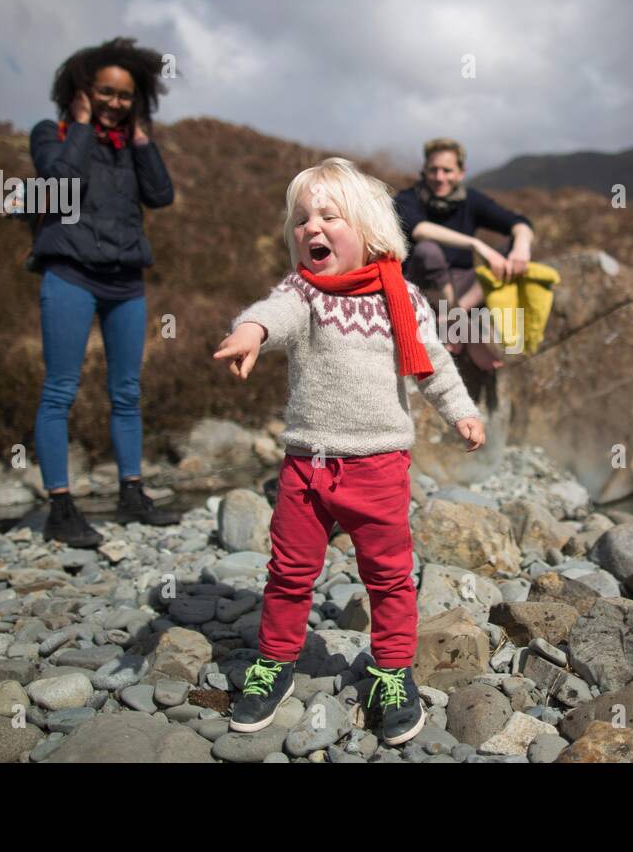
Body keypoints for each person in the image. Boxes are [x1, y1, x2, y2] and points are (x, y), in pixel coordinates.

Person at [213, 157, 485, 746]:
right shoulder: (304, 292)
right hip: (306, 465)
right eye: (301, 219)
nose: (312, 228)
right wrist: (250, 332)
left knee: (388, 576)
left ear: (369, 231)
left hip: (380, 464)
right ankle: (276, 661)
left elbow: (434, 365)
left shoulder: (401, 297)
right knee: (288, 572)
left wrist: (461, 411)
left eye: (329, 216)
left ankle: (392, 671)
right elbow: (274, 312)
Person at [28, 37, 179, 548]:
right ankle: (61, 507)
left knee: (127, 391)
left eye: (125, 95)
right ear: (82, 91)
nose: (116, 102)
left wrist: (139, 139)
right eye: (105, 92)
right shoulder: (52, 133)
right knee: (60, 389)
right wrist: (84, 125)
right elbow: (59, 181)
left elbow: (161, 195)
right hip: (70, 274)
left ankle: (131, 493)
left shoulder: (129, 145)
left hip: (126, 281)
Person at [394, 137, 537, 371]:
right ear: (424, 171)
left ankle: (454, 318)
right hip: (425, 287)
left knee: (513, 252)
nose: (440, 177)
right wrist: (475, 244)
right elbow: (420, 230)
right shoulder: (407, 199)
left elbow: (519, 222)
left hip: (464, 288)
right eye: (433, 170)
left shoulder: (470, 200)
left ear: (461, 173)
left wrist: (521, 246)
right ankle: (462, 326)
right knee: (428, 251)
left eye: (447, 170)